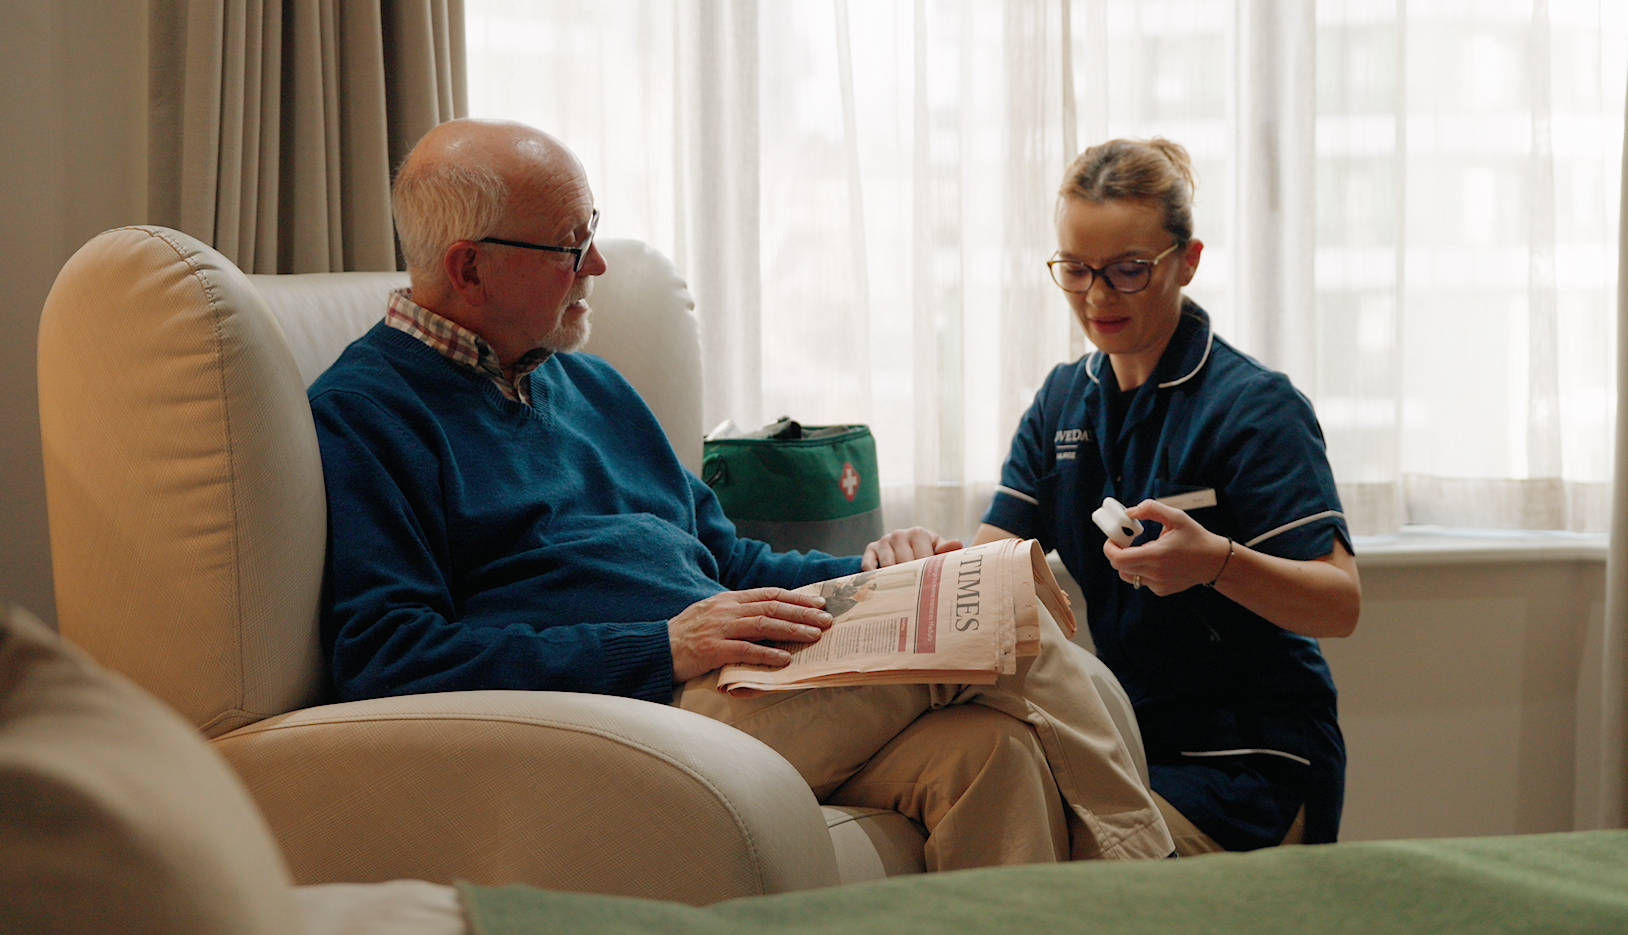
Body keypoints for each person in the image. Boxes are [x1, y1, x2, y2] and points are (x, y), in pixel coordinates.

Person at [310, 118, 1171, 870]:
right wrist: (656, 645)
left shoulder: (590, 387)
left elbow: (728, 558)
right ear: (470, 269)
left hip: (749, 675)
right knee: (1005, 631)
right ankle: (1154, 894)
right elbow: (388, 655)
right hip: (642, 714)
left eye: (593, 232)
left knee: (989, 753)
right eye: (572, 244)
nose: (597, 265)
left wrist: (873, 572)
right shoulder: (370, 414)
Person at [975, 137, 1361, 856]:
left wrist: (1215, 563)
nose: (1096, 296)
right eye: (1076, 269)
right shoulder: (1064, 401)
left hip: (1250, 764)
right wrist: (924, 571)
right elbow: (991, 568)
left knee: (1064, 863)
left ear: (1187, 260)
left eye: (1127, 270)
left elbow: (1339, 603)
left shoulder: (1253, 408)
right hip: (1126, 743)